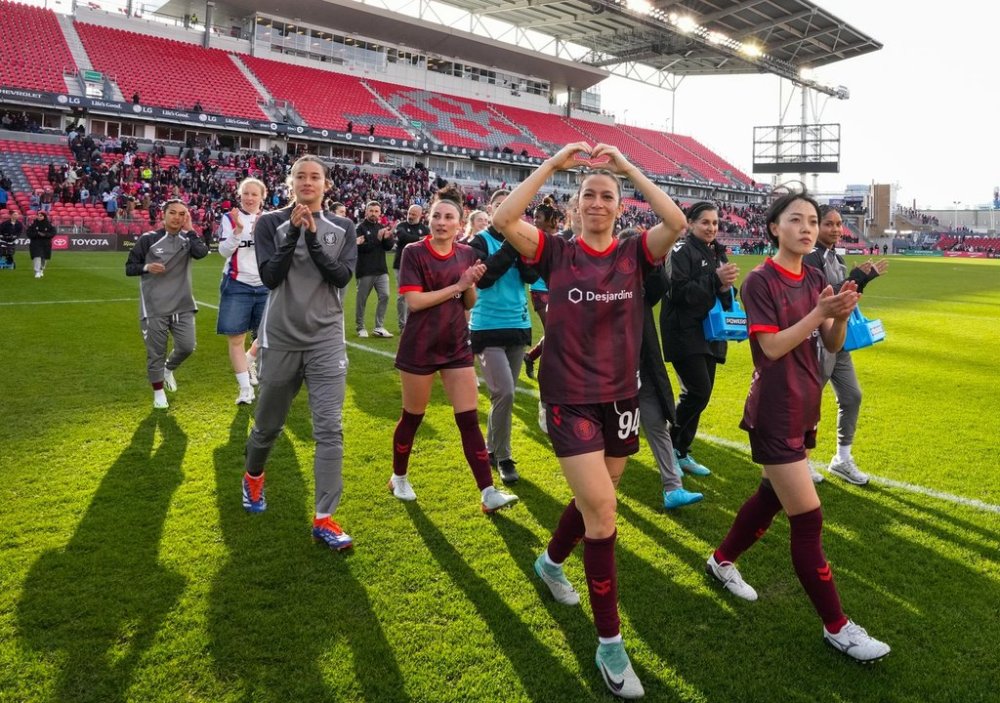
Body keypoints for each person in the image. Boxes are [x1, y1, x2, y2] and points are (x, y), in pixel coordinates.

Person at [494, 142, 687, 699]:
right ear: (576, 207)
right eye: (589, 196)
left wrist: (625, 167)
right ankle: (610, 644)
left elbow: (674, 220)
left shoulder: (633, 253)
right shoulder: (553, 252)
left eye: (607, 196)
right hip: (569, 397)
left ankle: (551, 562)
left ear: (620, 207)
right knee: (603, 512)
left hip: (621, 398)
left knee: (595, 499)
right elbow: (507, 217)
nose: (598, 202)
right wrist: (553, 166)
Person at [705, 189, 890, 663]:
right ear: (773, 228)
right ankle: (838, 627)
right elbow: (769, 349)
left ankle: (721, 560)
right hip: (774, 409)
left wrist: (840, 314)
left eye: (812, 221)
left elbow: (826, 340)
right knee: (808, 519)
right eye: (796, 220)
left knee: (771, 496)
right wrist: (819, 313)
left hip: (805, 402)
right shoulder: (760, 281)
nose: (807, 228)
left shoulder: (812, 276)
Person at [242, 155, 359, 552]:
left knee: (330, 429)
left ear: (326, 185)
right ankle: (253, 475)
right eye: (300, 176)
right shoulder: (270, 223)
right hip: (280, 338)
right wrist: (293, 233)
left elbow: (341, 276)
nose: (308, 182)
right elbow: (270, 277)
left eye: (315, 177)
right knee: (267, 427)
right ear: (289, 183)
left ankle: (325, 518)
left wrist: (310, 237)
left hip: (326, 339)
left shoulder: (343, 226)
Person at [388, 183, 519, 513]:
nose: (441, 222)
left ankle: (488, 492)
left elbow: (467, 302)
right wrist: (458, 285)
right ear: (430, 219)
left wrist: (470, 285)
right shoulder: (414, 252)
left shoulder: (467, 253)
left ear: (460, 224)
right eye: (436, 216)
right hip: (419, 346)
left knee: (469, 420)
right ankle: (399, 476)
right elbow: (415, 302)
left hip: (456, 346)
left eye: (449, 217)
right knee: (412, 418)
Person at [803, 206, 889, 485]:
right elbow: (823, 298)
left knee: (852, 396)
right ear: (816, 225)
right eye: (830, 224)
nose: (837, 229)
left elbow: (845, 295)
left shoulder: (835, 257)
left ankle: (841, 458)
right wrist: (855, 279)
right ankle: (800, 460)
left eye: (839, 224)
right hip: (816, 341)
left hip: (839, 340)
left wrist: (861, 281)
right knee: (808, 403)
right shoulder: (810, 257)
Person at [620, 227, 704, 510]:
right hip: (611, 372)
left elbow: (661, 286)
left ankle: (672, 488)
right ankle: (597, 492)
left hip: (643, 365)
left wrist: (654, 261)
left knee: (656, 422)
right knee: (612, 433)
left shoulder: (646, 281)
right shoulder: (605, 280)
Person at [659, 202, 738, 477]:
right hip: (684, 331)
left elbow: (726, 298)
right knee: (697, 392)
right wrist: (716, 280)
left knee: (700, 396)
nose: (711, 228)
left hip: (711, 333)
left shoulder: (717, 253)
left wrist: (727, 288)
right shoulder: (680, 250)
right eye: (705, 222)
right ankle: (669, 446)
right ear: (690, 224)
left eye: (715, 223)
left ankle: (680, 451)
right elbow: (677, 292)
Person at [468, 189, 540, 485]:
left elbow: (531, 277)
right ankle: (505, 456)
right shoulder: (479, 241)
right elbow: (483, 278)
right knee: (506, 393)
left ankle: (490, 449)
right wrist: (512, 245)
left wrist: (523, 248)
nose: (507, 212)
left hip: (517, 324)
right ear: (493, 209)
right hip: (487, 327)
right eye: (501, 207)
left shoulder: (522, 238)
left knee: (503, 396)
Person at [124, 200, 210, 409]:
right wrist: (146, 267)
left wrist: (190, 231)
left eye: (182, 214)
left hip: (183, 304)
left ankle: (168, 369)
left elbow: (202, 253)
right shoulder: (148, 240)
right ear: (163, 215)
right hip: (155, 306)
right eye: (173, 213)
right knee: (156, 352)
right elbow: (129, 267)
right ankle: (158, 392)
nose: (177, 218)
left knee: (187, 347)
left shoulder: (187, 240)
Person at [216, 177, 269, 405]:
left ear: (262, 197)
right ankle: (245, 388)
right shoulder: (230, 218)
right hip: (238, 284)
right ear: (240, 195)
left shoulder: (269, 219)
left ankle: (251, 358)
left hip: (266, 284)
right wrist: (238, 231)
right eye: (245, 193)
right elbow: (224, 252)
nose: (249, 198)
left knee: (270, 335)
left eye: (254, 194)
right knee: (236, 337)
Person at [354, 200, 395, 338]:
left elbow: (388, 247)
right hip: (365, 270)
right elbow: (360, 248)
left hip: (381, 269)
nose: (373, 214)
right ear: (366, 212)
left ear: (380, 213)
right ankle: (360, 327)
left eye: (376, 211)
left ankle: (379, 327)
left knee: (385, 295)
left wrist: (388, 238)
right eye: (371, 211)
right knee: (362, 300)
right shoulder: (360, 228)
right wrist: (377, 239)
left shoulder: (381, 227)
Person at [392, 204, 428, 331]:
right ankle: (403, 325)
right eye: (409, 213)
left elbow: (429, 242)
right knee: (402, 296)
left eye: (414, 214)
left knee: (416, 295)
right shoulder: (401, 226)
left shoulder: (425, 228)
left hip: (418, 266)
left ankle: (411, 324)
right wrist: (419, 239)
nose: (410, 216)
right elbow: (403, 238)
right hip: (400, 264)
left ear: (420, 215)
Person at [27, 211, 56, 278]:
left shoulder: (49, 224)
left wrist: (45, 235)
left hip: (46, 243)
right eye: (38, 215)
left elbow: (53, 233)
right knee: (37, 256)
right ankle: (37, 271)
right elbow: (28, 233)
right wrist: (36, 234)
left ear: (44, 217)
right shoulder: (33, 224)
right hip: (35, 243)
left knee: (44, 258)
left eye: (41, 216)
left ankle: (41, 269)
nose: (39, 217)